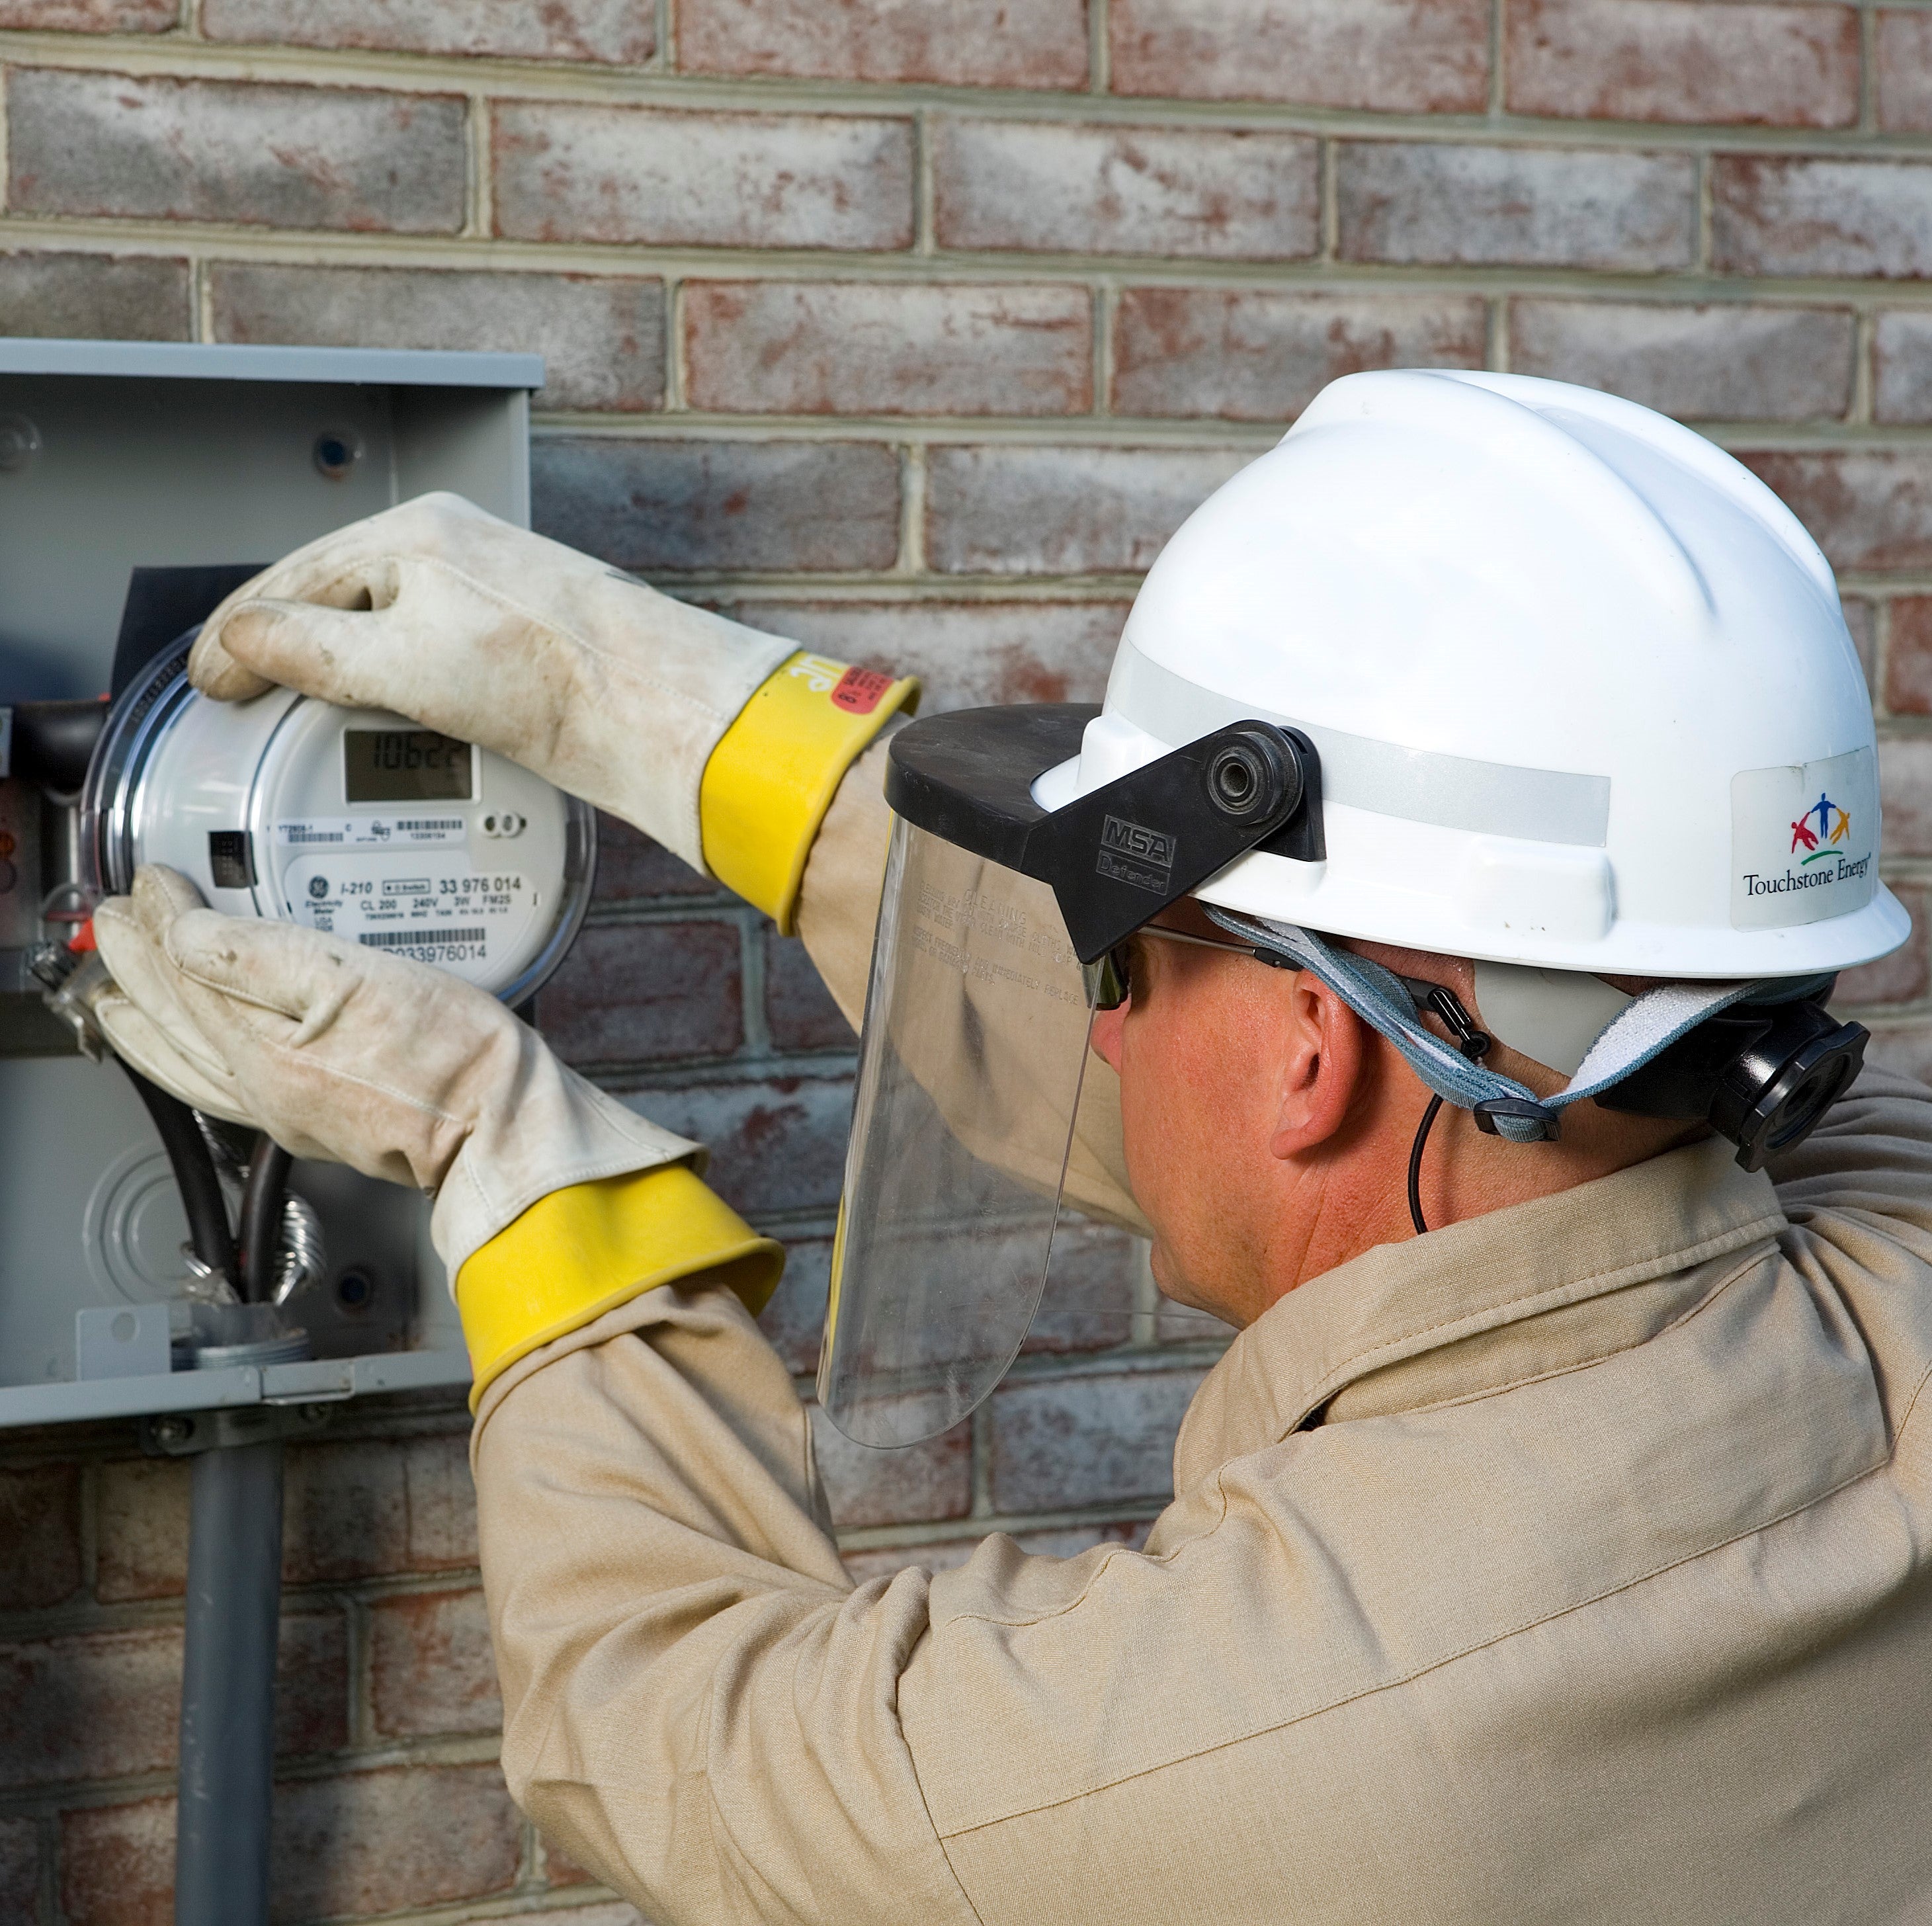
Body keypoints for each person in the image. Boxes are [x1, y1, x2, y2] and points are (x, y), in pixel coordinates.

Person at [86, 372, 1932, 1921]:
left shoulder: (1286, 1733)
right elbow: (1428, 1056)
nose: (1096, 1022)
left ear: (1308, 1053)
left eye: (1114, 962)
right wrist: (651, 706)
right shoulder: (1887, 1256)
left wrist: (500, 1148)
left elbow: (683, 1735)